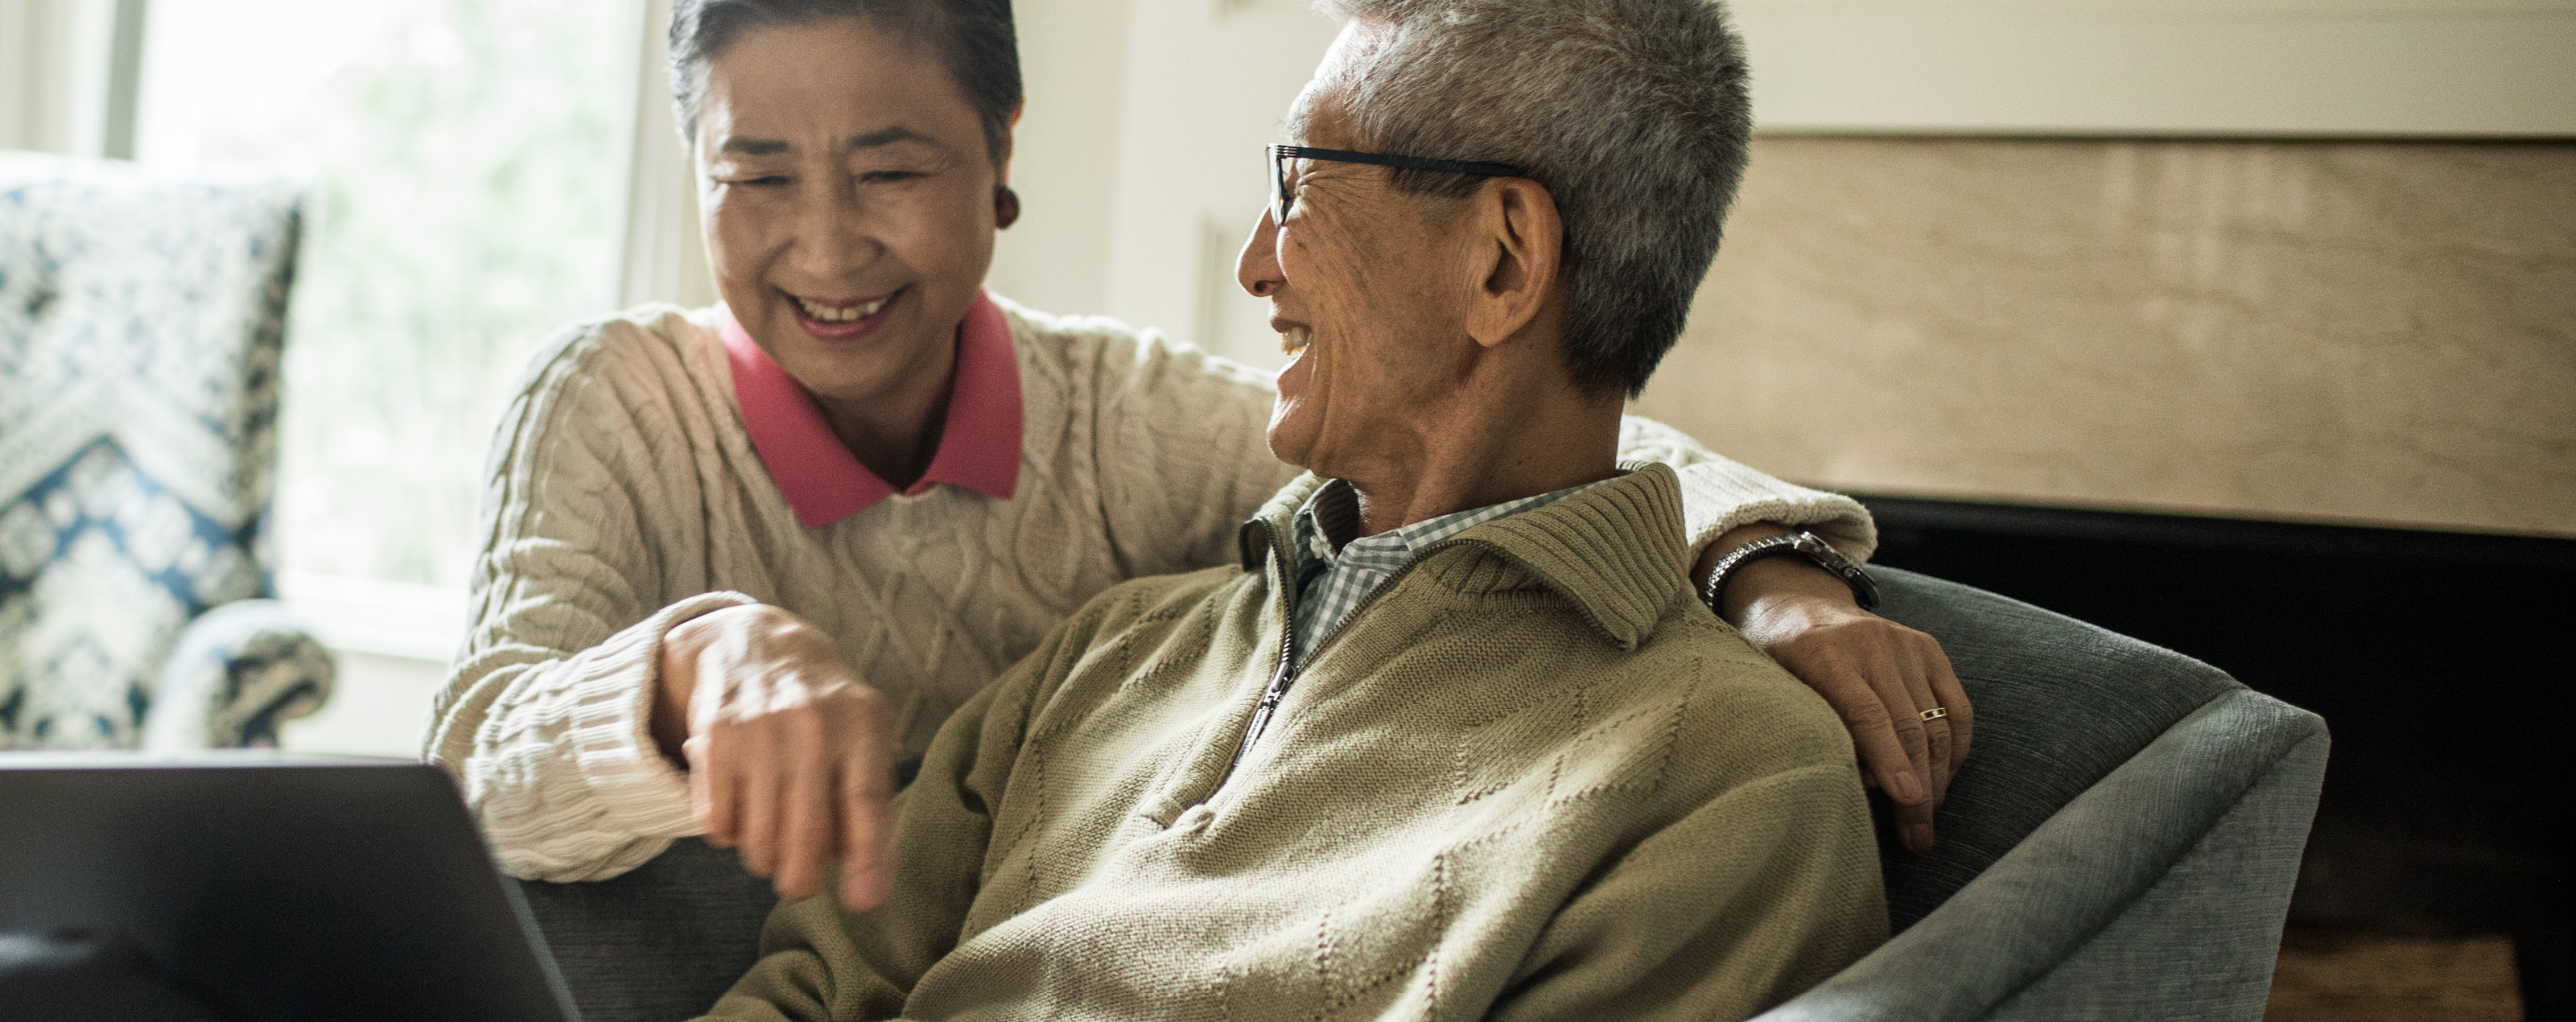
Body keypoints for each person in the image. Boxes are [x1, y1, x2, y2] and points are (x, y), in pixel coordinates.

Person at [423, 0, 1968, 921]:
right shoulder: (616, 402)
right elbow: (468, 781)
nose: (824, 244)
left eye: (891, 168)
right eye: (753, 176)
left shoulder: (1122, 425)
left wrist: (1770, 570)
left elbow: (1495, 423)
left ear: (1002, 152)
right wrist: (690, 663)